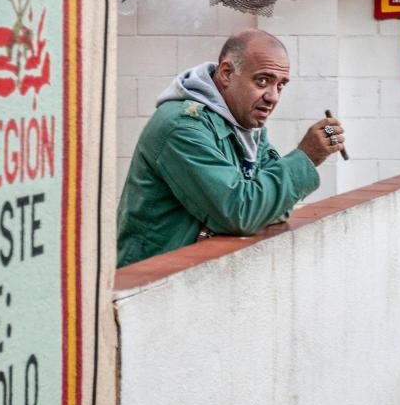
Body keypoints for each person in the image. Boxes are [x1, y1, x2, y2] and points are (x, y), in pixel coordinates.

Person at [116, 28, 346, 268]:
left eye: (280, 85)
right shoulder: (183, 127)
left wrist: (263, 203)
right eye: (262, 81)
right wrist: (306, 157)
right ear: (226, 73)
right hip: (152, 284)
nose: (273, 96)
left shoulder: (247, 125)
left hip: (193, 275)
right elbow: (242, 214)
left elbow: (272, 207)